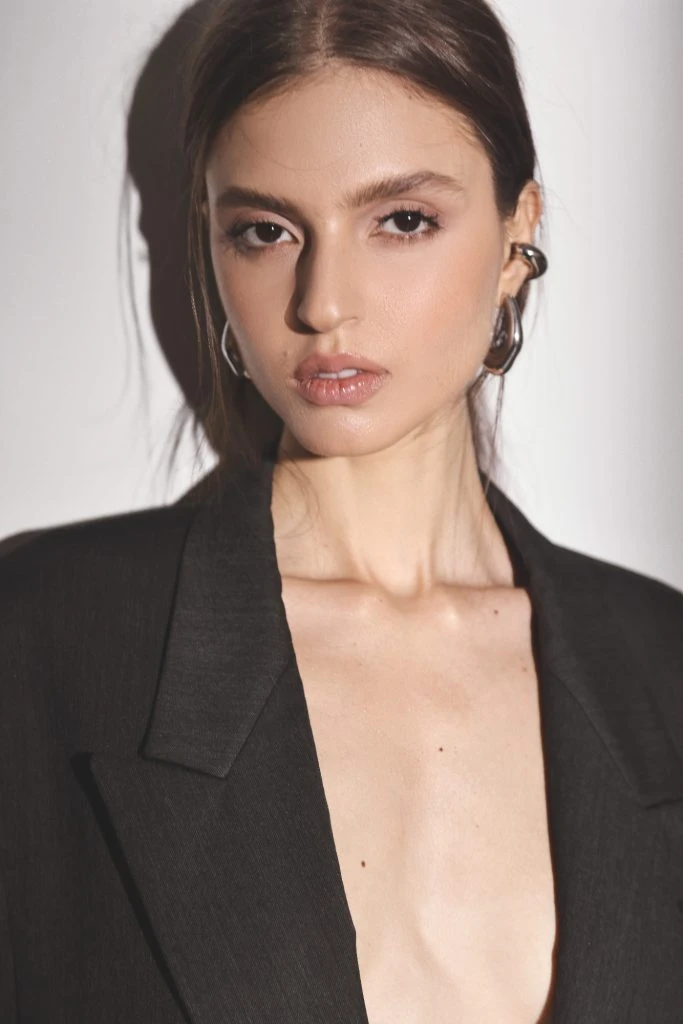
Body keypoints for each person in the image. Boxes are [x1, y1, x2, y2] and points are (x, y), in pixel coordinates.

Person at [1, 0, 683, 1021]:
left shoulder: (663, 666)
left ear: (515, 236)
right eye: (265, 231)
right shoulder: (44, 641)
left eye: (400, 220)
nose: (322, 301)